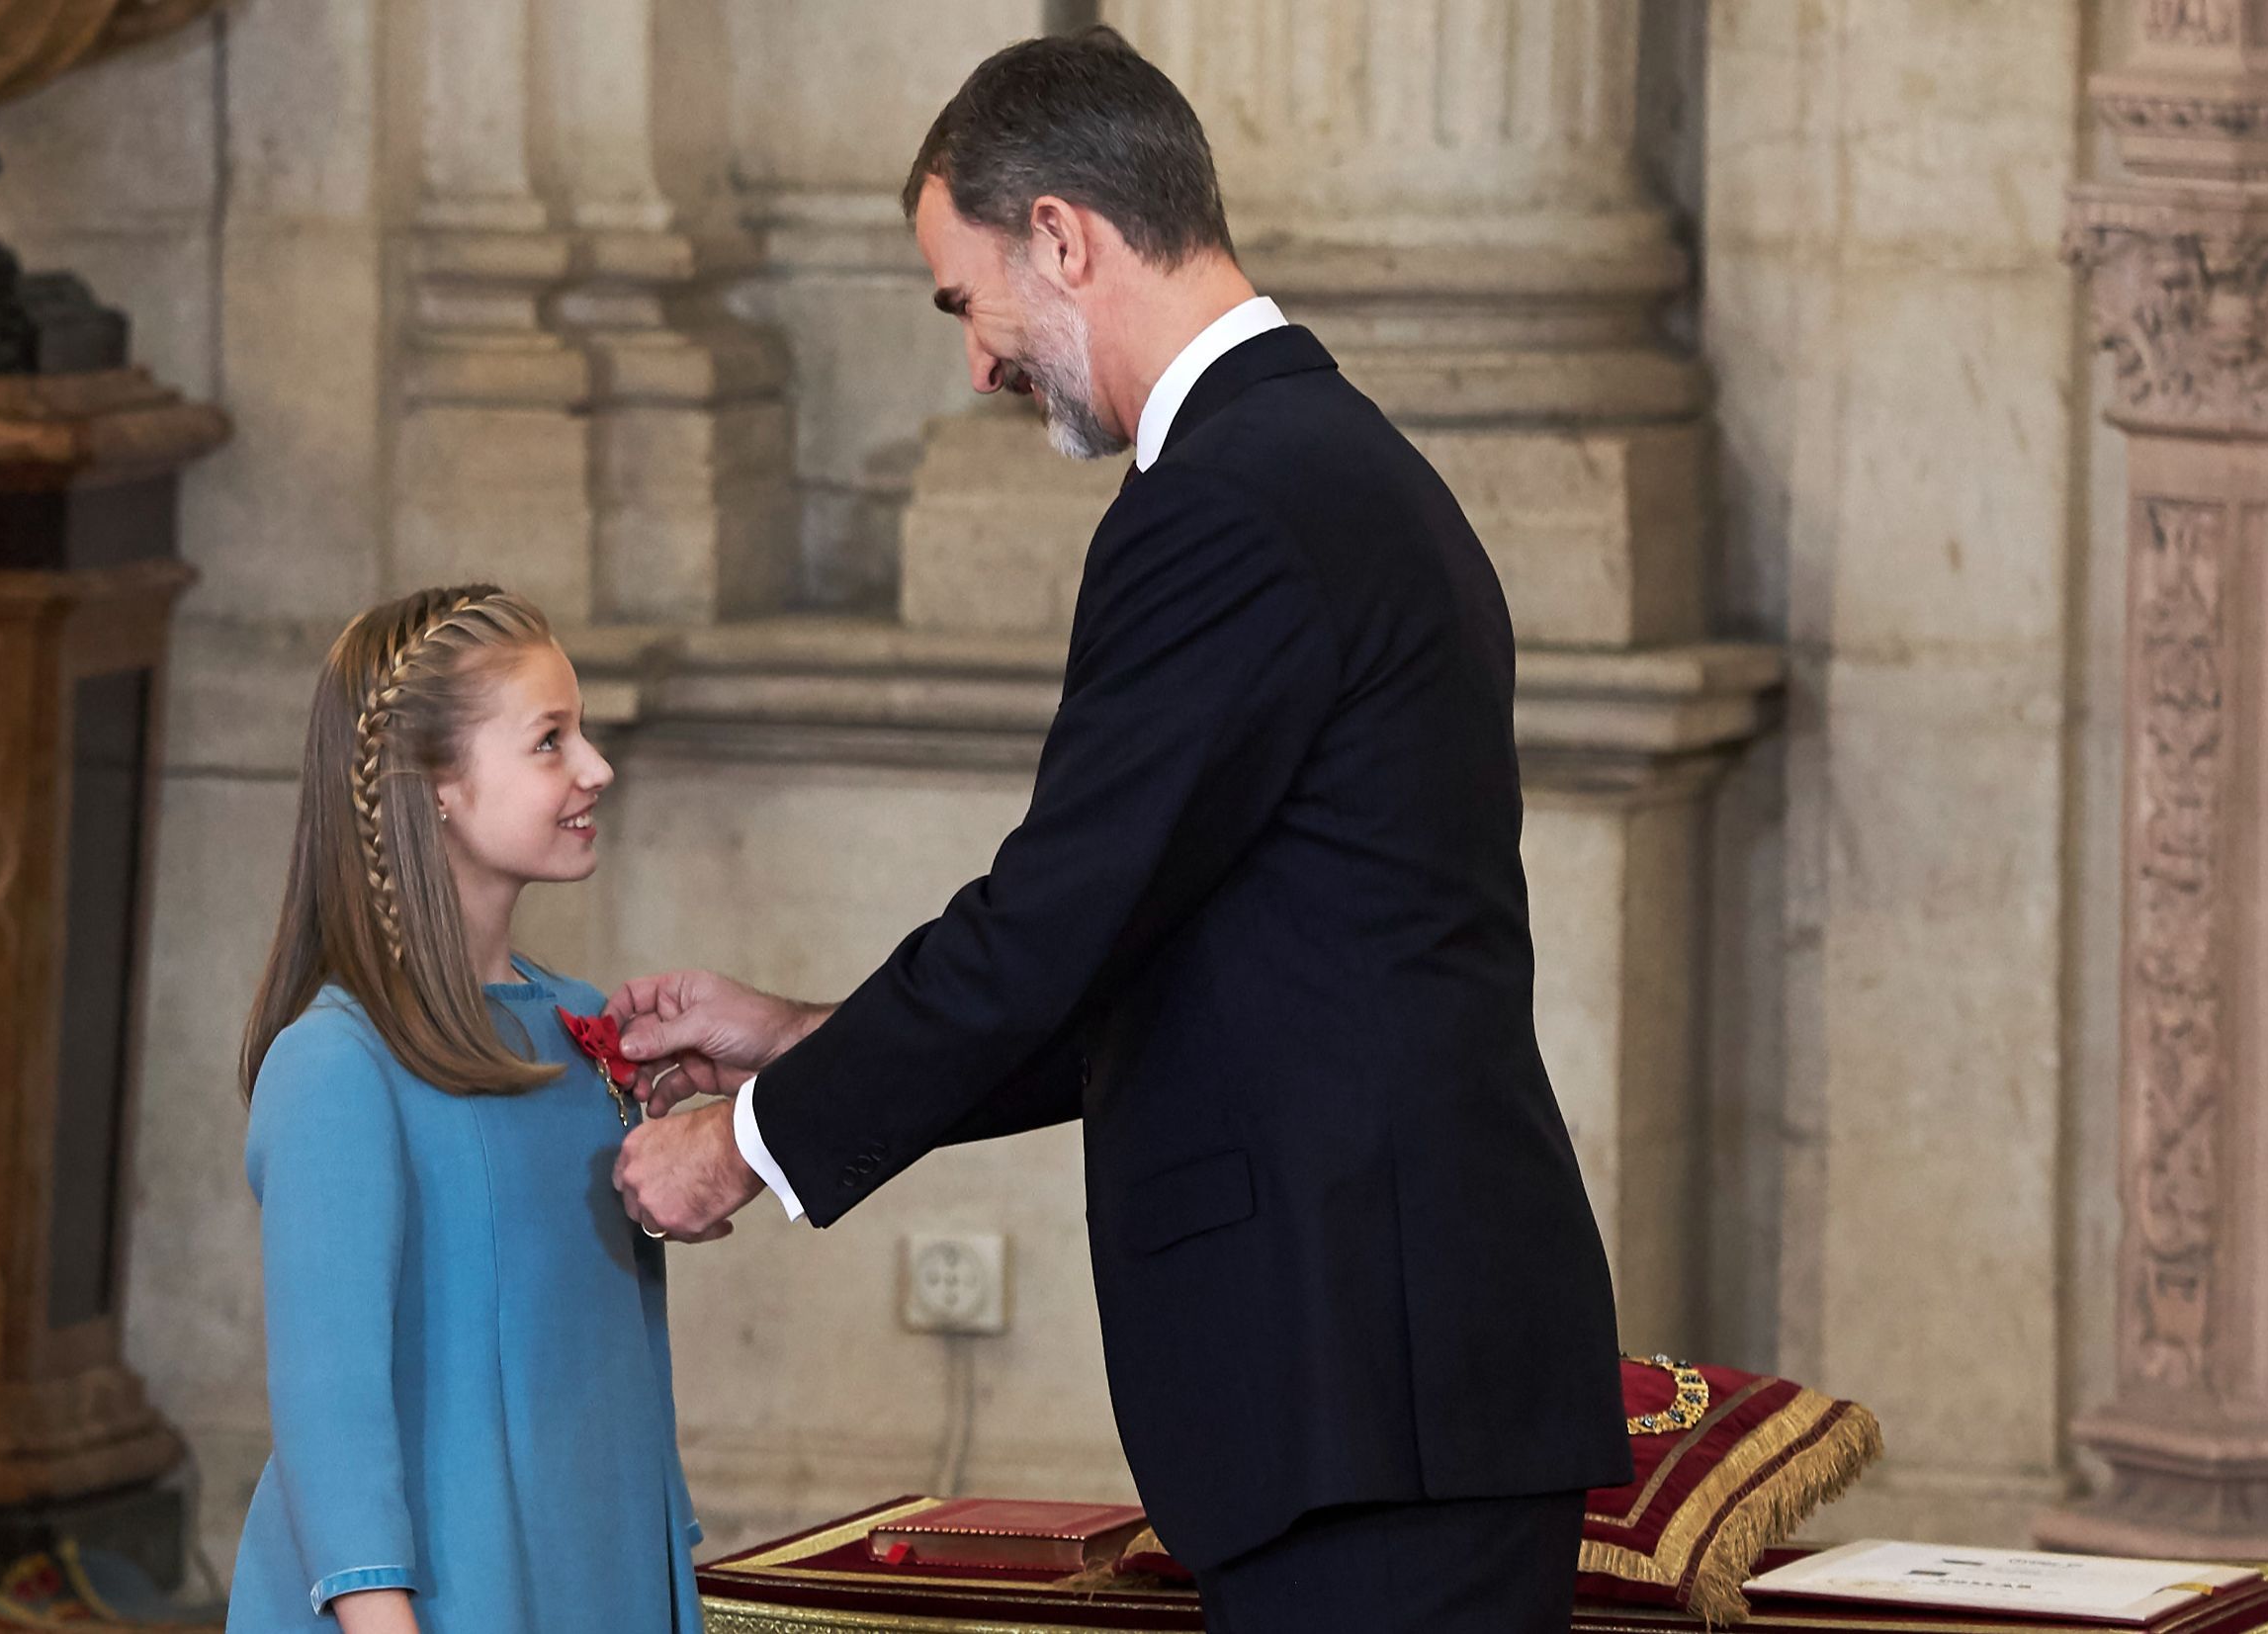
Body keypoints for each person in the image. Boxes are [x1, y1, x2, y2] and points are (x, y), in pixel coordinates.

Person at [607, 28, 1631, 1634]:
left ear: (1062, 236)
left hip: (1364, 1389)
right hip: (1389, 1384)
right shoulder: (1321, 463)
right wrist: (798, 1031)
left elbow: (1053, 917)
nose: (973, 364)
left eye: (962, 301)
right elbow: (1152, 959)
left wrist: (748, 1142)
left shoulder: (1226, 502)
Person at [228, 586, 705, 1634]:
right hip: (434, 1598)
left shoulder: (582, 1027)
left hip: (601, 1569)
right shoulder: (337, 1067)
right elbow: (331, 1416)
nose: (596, 769)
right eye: (550, 741)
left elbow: (617, 1357)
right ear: (436, 785)